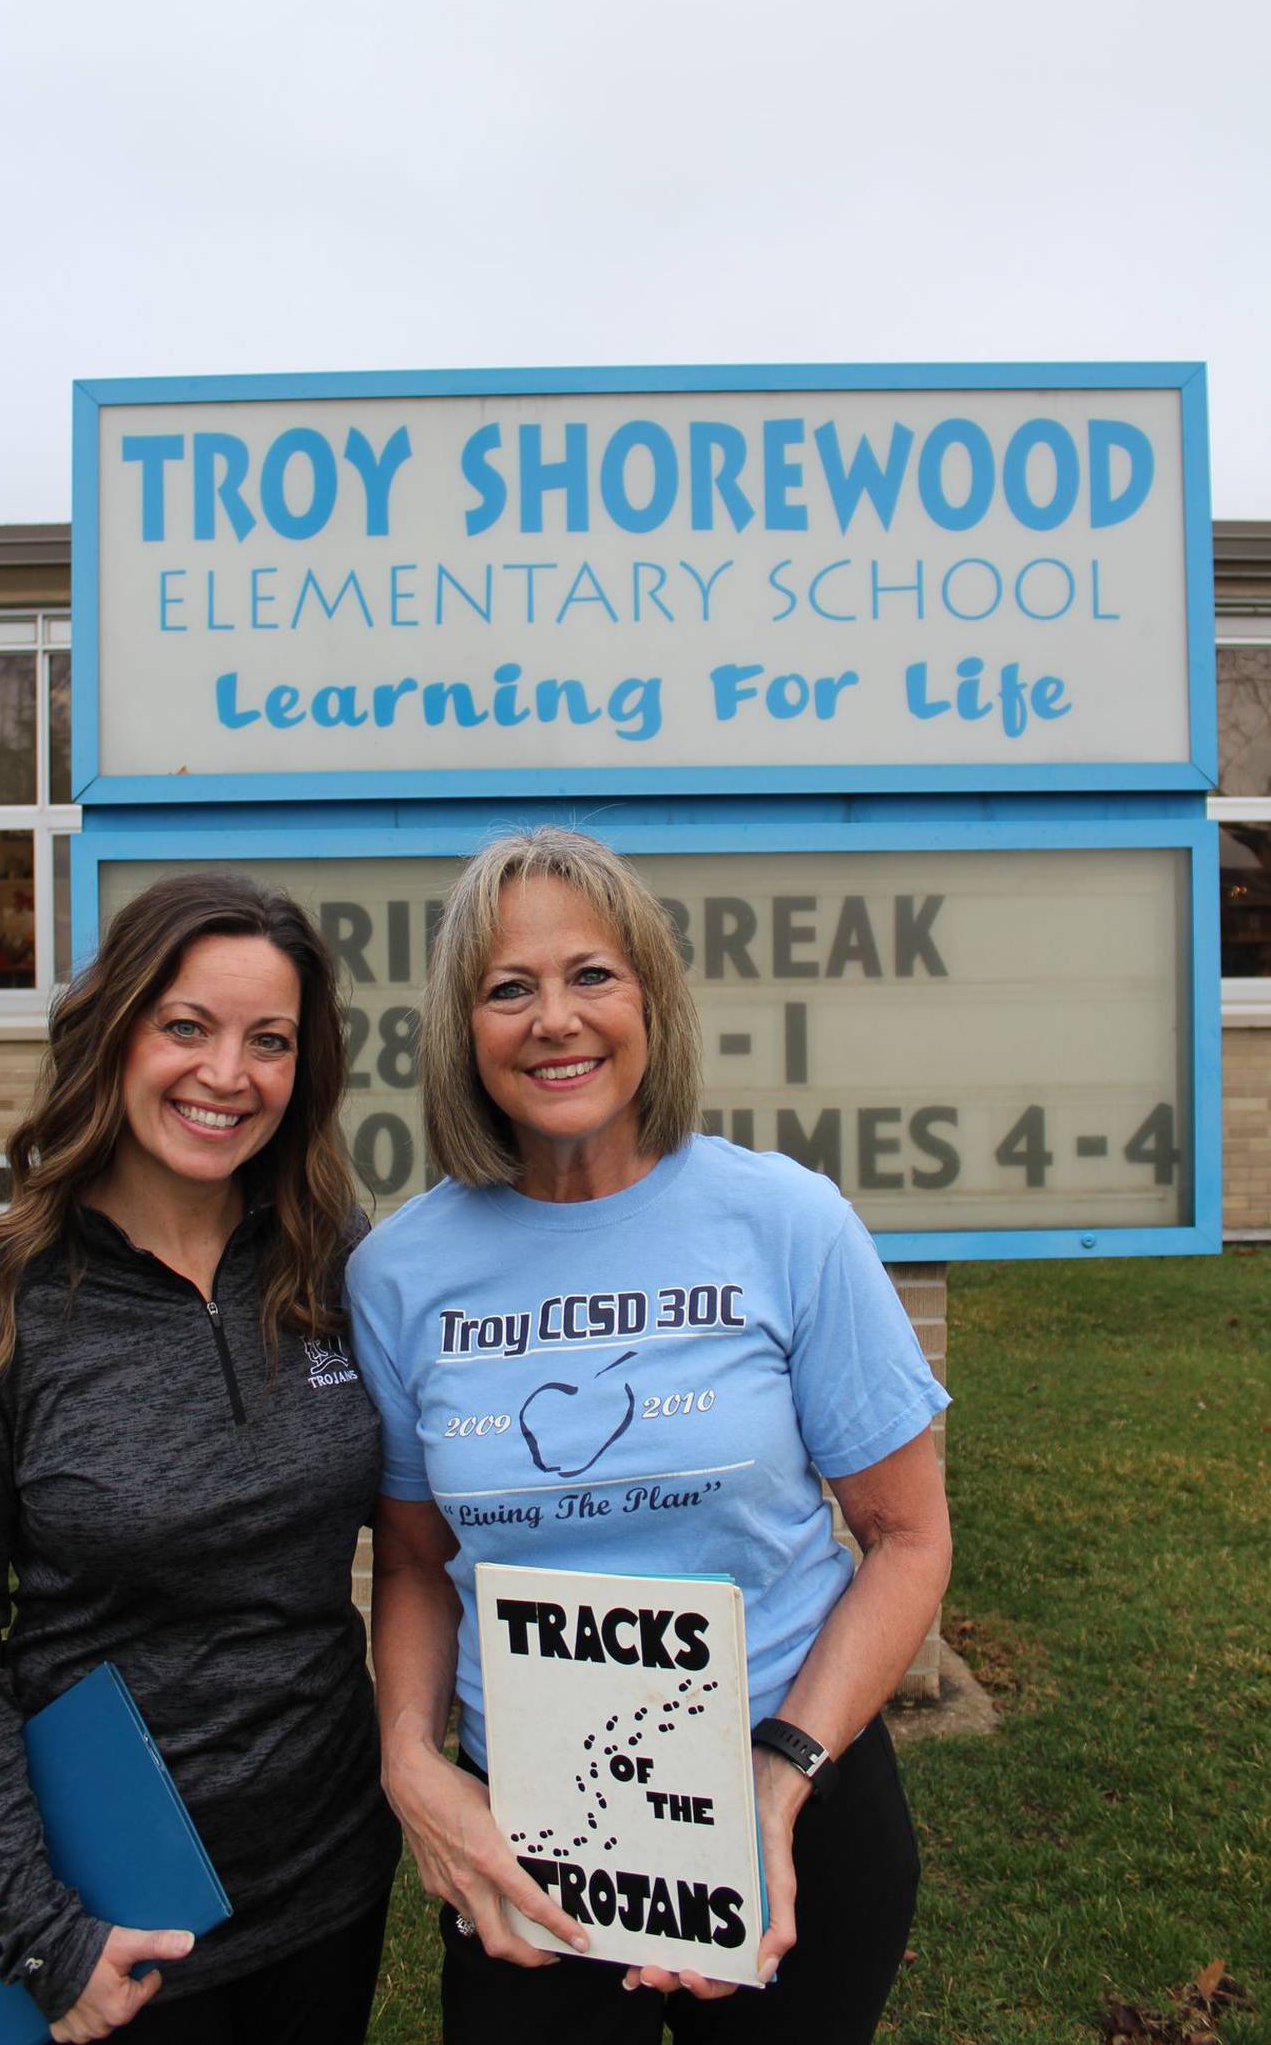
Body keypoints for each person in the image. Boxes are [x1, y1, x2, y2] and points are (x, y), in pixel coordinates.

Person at [347, 829, 953, 2045]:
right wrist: (412, 1761)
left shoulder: (784, 1220)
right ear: (462, 1030)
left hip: (793, 1786)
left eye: (591, 976)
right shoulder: (399, 1270)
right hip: (530, 1827)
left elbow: (904, 1537)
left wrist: (780, 1780)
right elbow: (415, 1563)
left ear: (652, 1001)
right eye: (507, 987)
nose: (553, 1019)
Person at [0, 872, 400, 2044]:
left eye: (269, 1041)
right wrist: (32, 1922)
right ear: (113, 1031)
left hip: (329, 1868)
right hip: (116, 1897)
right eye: (187, 1027)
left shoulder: (339, 1268)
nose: (229, 1075)